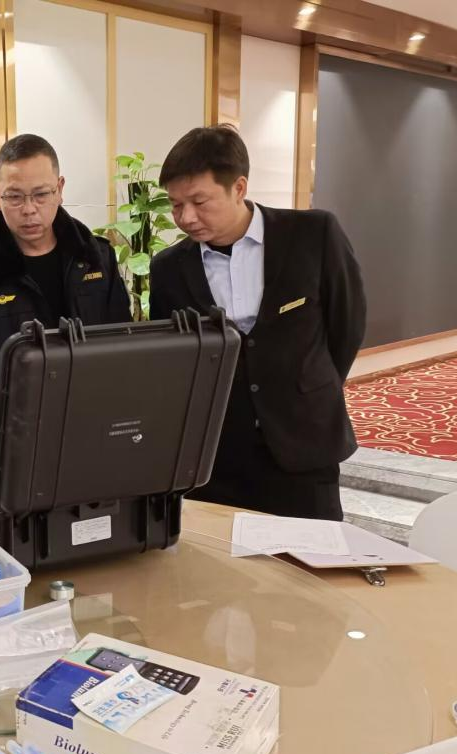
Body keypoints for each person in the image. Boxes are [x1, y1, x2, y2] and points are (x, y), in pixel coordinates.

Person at [149, 125, 366, 520]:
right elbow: (174, 360)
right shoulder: (168, 268)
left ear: (239, 188)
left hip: (303, 440)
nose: (186, 217)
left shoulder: (313, 235)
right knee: (220, 556)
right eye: (176, 205)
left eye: (199, 201)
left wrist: (307, 387)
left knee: (312, 553)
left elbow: (346, 326)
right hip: (217, 452)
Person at [0, 133, 131, 463]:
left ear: (60, 188)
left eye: (41, 195)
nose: (29, 210)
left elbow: (122, 349)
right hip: (18, 446)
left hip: (98, 434)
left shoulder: (96, 259)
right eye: (14, 197)